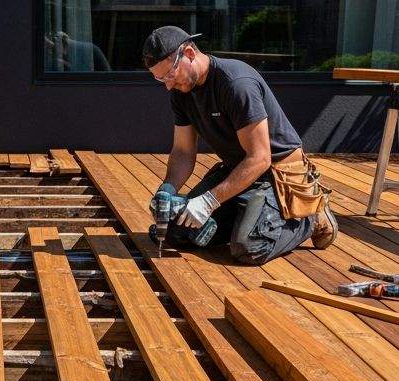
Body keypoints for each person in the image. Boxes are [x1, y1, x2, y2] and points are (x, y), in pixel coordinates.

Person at [142, 25, 337, 264]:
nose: (168, 85)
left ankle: (308, 216)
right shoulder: (181, 92)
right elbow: (183, 151)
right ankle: (247, 219)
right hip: (238, 170)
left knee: (249, 247)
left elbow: (260, 158)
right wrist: (167, 190)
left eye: (170, 75)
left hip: (275, 174)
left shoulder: (236, 83)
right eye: (160, 78)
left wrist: (208, 202)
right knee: (176, 231)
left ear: (190, 54)